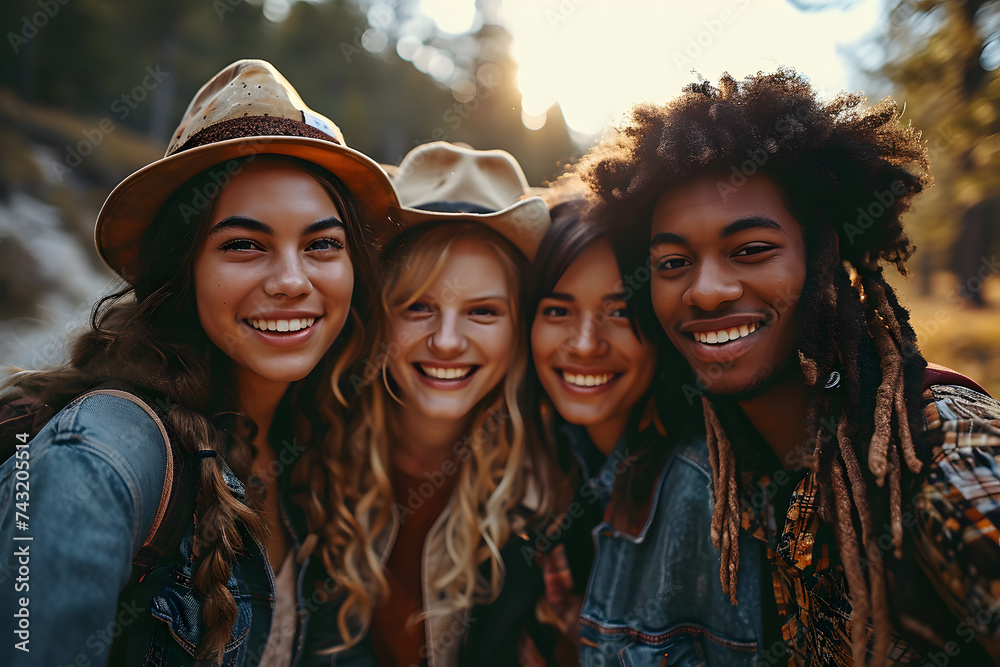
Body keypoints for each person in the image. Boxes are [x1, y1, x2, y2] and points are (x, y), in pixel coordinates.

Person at [579, 68, 1000, 666]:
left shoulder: (943, 453)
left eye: (751, 249)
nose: (708, 290)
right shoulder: (737, 459)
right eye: (672, 262)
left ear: (823, 260)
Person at [0, 59, 398, 666]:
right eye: (244, 244)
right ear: (180, 270)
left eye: (322, 244)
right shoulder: (100, 455)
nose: (292, 281)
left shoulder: (325, 448)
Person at [302, 142, 558, 667]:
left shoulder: (553, 491)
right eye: (418, 306)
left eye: (482, 312)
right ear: (379, 315)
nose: (445, 341)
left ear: (519, 329)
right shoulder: (306, 452)